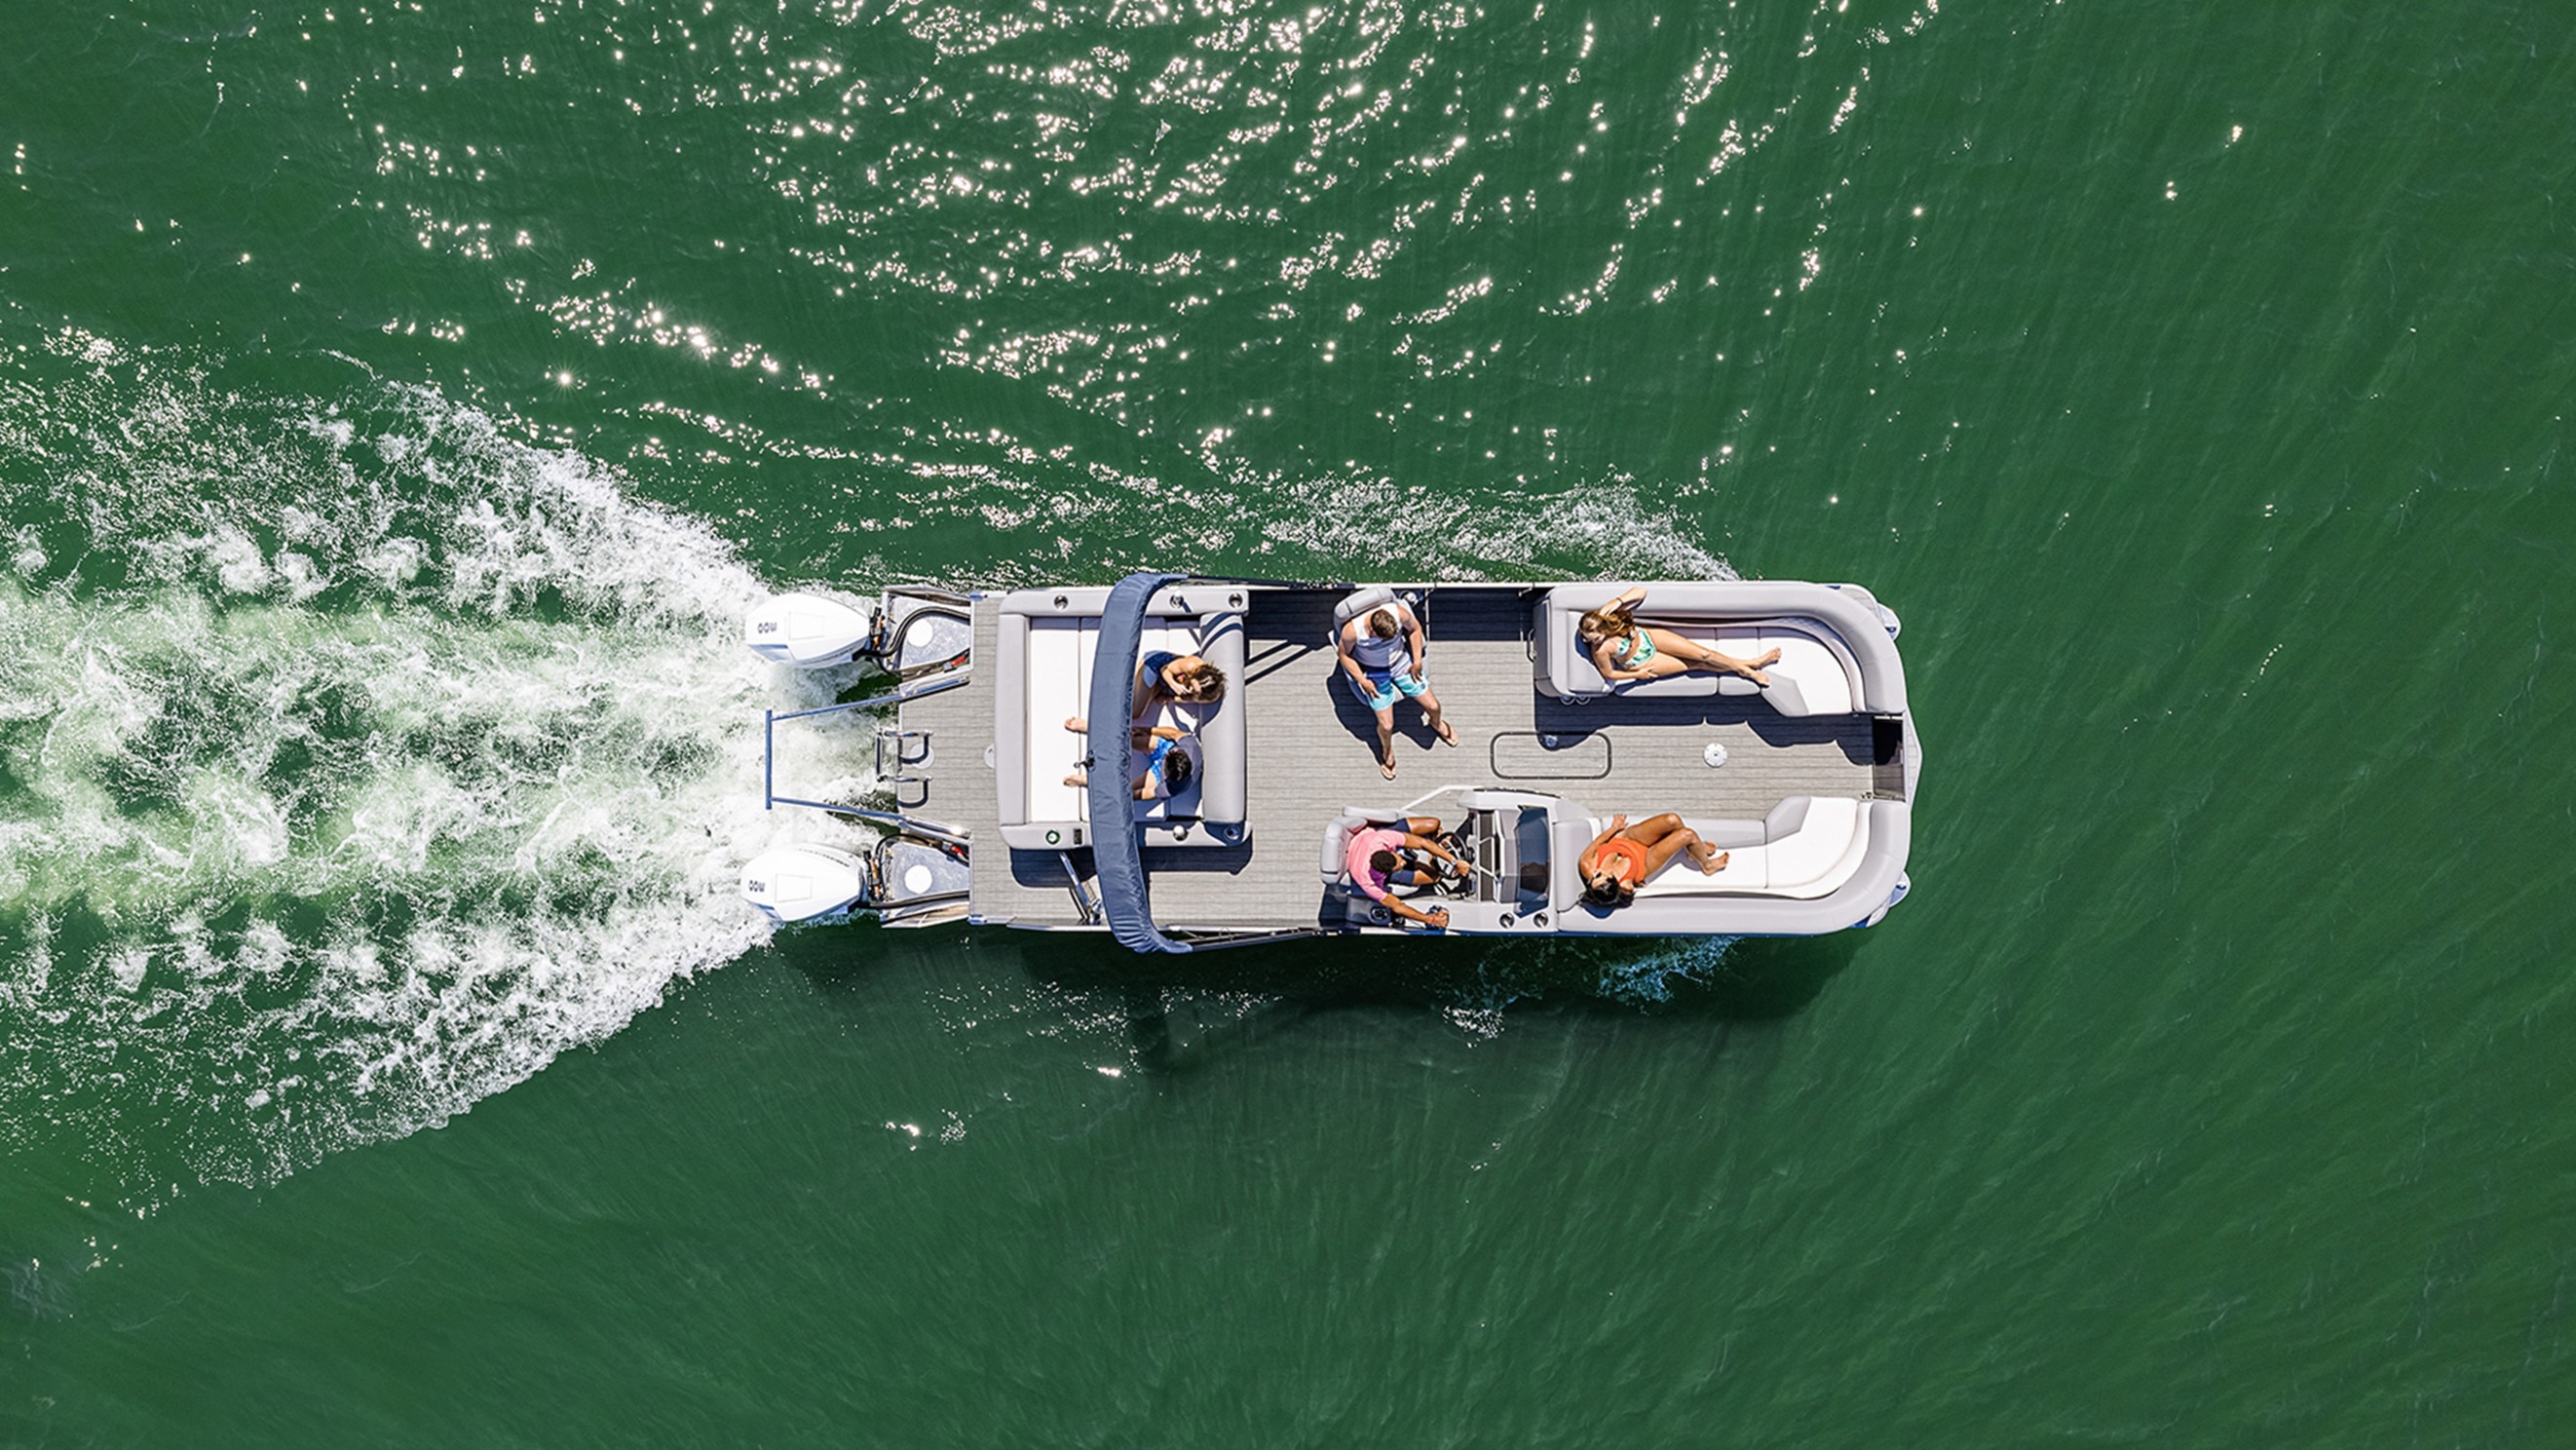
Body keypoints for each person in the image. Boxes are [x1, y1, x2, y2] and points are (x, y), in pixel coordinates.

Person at [1336, 600, 1456, 780]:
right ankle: (1387, 751)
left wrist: (1417, 661)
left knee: (1434, 706)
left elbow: (1415, 630)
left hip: (1401, 664)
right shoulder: (1352, 631)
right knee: (1386, 725)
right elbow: (1343, 655)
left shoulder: (1398, 614)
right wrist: (1362, 680)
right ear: (1372, 631)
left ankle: (1436, 723)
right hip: (1374, 672)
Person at [1577, 586, 1780, 687]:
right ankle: (1748, 669)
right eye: (1587, 639)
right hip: (1640, 660)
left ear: (1602, 627)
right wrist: (1637, 675)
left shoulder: (1608, 617)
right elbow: (1609, 675)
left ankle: (1749, 664)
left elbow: (1641, 591)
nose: (1589, 642)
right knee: (1696, 664)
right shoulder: (1601, 650)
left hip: (1647, 638)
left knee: (1705, 654)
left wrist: (1617, 601)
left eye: (1592, 637)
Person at [1576, 813, 1724, 909]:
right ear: (1613, 880)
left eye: (1592, 880)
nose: (1594, 873)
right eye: (1598, 876)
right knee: (1688, 835)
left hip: (1628, 839)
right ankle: (1707, 865)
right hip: (1644, 861)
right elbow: (1625, 897)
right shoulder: (1624, 886)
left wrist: (1615, 827)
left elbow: (1598, 842)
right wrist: (1633, 885)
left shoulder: (1586, 864)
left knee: (1672, 820)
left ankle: (1694, 850)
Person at [1342, 814, 1460, 930]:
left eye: (1400, 860)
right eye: (1400, 866)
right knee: (1435, 877)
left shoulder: (1381, 840)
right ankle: (1432, 856)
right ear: (1387, 872)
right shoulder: (1369, 883)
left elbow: (1421, 843)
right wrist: (1430, 919)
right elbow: (1397, 906)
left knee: (1434, 824)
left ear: (1390, 851)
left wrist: (1454, 861)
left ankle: (1434, 852)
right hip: (1369, 867)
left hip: (1374, 836)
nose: (1403, 863)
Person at [1062, 718, 1197, 801]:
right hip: (1165, 748)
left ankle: (1089, 781)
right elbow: (1172, 733)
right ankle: (1091, 727)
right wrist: (1145, 730)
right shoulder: (1190, 746)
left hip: (1158, 774)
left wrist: (1125, 796)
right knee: (1128, 738)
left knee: (1125, 788)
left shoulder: (1174, 787)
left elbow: (1145, 794)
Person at [1135, 648, 1226, 721]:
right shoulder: (1191, 665)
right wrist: (1173, 685)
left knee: (1140, 707)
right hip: (1157, 666)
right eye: (1191, 685)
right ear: (1195, 673)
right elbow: (1165, 669)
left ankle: (1153, 688)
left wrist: (1170, 699)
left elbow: (1191, 698)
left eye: (1194, 692)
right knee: (1136, 712)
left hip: (1163, 683)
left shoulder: (1209, 695)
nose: (1190, 689)